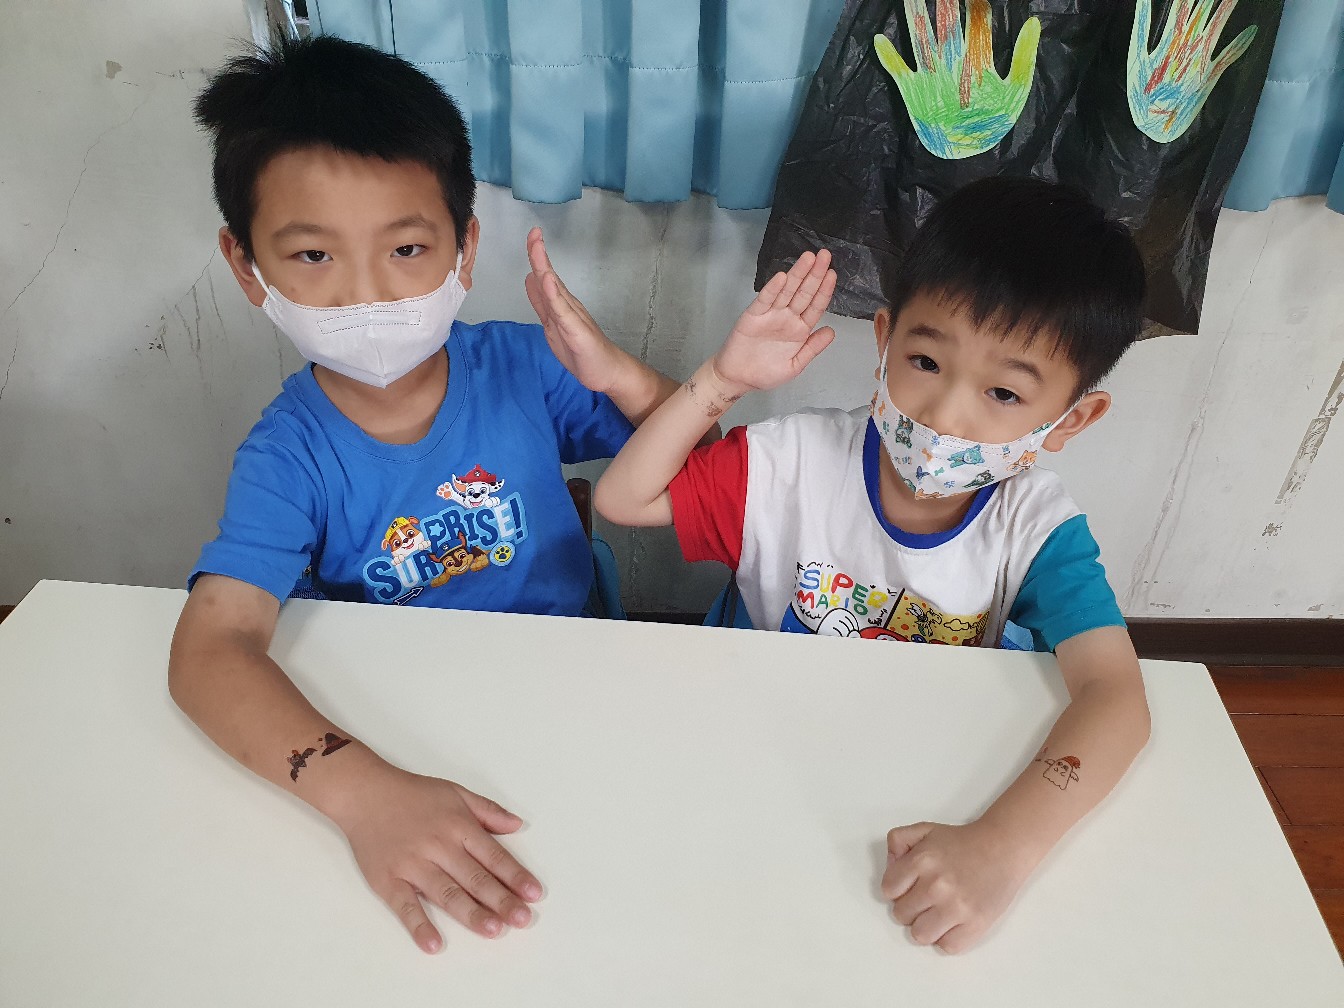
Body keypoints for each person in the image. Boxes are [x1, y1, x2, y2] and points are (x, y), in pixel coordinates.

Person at [169, 35, 690, 955]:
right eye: (314, 255)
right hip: (397, 725)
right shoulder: (288, 457)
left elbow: (705, 467)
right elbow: (211, 650)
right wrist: (360, 793)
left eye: (407, 248)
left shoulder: (525, 367)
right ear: (246, 266)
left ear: (464, 247)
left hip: (572, 685)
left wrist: (617, 374)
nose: (368, 295)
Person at [593, 176, 1152, 953]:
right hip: (752, 752)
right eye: (925, 360)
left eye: (1002, 392)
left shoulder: (1034, 527)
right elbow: (623, 498)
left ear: (1071, 418)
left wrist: (1003, 848)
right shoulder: (793, 461)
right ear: (884, 340)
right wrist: (723, 381)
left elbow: (1117, 696)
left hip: (912, 779)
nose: (946, 413)